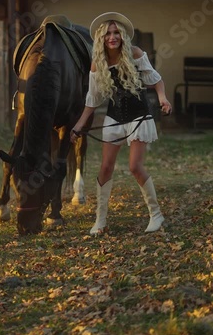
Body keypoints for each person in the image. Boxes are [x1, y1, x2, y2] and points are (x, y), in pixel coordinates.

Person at [70, 12, 172, 236]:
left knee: (135, 166)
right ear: (101, 38)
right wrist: (78, 126)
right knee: (105, 168)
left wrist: (163, 99)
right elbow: (92, 100)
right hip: (114, 118)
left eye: (116, 33)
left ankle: (156, 215)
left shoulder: (134, 53)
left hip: (139, 116)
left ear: (123, 36)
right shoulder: (98, 63)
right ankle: (101, 220)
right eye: (108, 33)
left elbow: (156, 79)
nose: (112, 37)